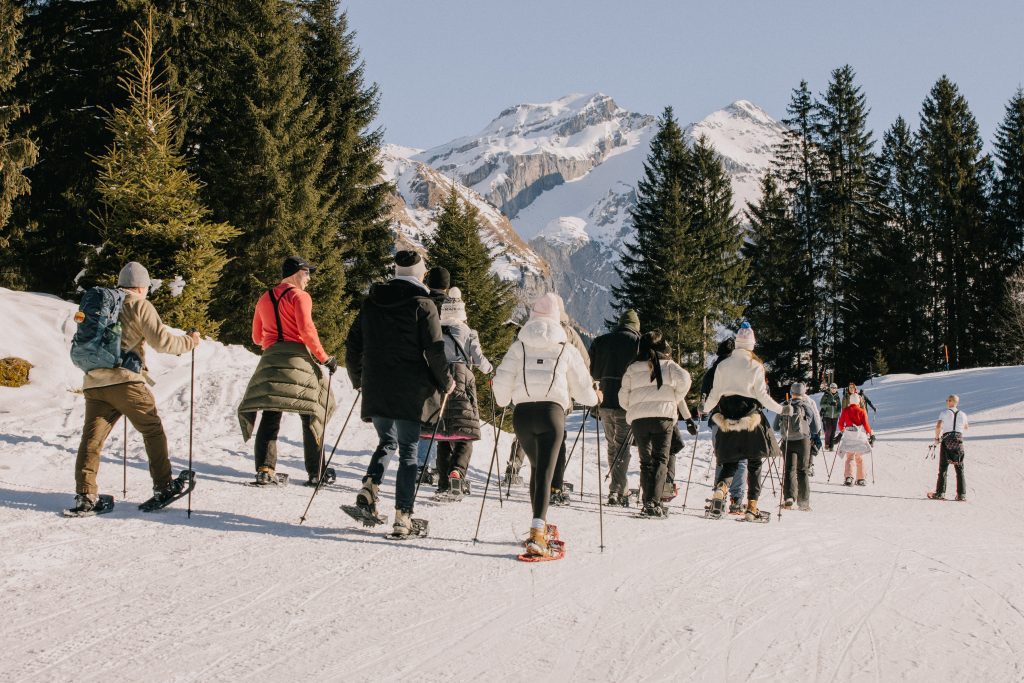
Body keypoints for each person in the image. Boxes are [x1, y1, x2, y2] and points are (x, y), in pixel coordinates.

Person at [71, 262, 200, 513]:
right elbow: (163, 342)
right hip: (126, 382)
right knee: (152, 430)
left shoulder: (102, 304)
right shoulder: (139, 304)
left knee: (92, 440)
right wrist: (191, 341)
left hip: (94, 383)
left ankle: (85, 495)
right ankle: (163, 486)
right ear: (143, 286)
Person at [345, 250, 453, 537]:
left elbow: (353, 345)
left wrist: (358, 380)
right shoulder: (424, 305)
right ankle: (402, 517)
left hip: (376, 386)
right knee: (407, 451)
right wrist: (446, 382)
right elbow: (434, 350)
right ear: (419, 273)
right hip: (410, 390)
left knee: (386, 441)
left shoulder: (371, 302)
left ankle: (369, 488)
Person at [492, 293, 598, 557]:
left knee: (538, 468)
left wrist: (504, 398)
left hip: (523, 416)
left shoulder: (519, 346)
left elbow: (502, 389)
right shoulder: (566, 348)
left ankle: (538, 523)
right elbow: (585, 392)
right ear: (557, 318)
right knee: (545, 473)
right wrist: (597, 397)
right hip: (552, 414)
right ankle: (538, 533)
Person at [238, 256, 337, 487]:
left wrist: (274, 340)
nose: (309, 278)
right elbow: (306, 330)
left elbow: (256, 337)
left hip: (271, 359)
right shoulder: (299, 296)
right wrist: (325, 358)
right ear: (295, 273)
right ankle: (316, 473)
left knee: (271, 415)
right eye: (307, 273)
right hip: (297, 359)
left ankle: (264, 469)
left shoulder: (264, 298)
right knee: (310, 413)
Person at [701, 323, 783, 522]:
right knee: (754, 463)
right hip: (750, 419)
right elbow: (762, 396)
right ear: (752, 345)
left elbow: (715, 394)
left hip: (727, 417)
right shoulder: (755, 365)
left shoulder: (722, 365)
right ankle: (752, 507)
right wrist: (781, 409)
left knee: (730, 462)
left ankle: (721, 490)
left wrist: (705, 409)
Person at [618, 331, 695, 517]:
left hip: (639, 420)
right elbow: (686, 379)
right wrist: (674, 396)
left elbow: (622, 397)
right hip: (663, 418)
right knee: (661, 459)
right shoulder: (669, 365)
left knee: (646, 462)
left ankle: (647, 502)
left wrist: (634, 406)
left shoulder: (632, 367)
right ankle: (655, 502)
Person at [429, 287, 493, 497]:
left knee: (443, 434)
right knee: (464, 432)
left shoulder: (436, 329)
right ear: (462, 312)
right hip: (463, 378)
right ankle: (457, 473)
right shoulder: (468, 332)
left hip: (439, 379)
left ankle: (443, 485)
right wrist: (491, 369)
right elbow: (479, 359)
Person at [589, 309, 641, 506]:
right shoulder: (637, 343)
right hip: (626, 402)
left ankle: (619, 486)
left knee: (613, 445)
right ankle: (617, 490)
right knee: (622, 446)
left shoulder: (601, 341)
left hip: (604, 401)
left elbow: (592, 370)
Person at [548, 294, 590, 505]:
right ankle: (555, 486)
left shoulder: (530, 330)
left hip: (529, 395)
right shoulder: (569, 333)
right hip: (559, 396)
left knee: (536, 440)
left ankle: (538, 483)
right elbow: (584, 361)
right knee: (558, 441)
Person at [416, 266, 452, 482]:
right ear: (447, 286)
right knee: (440, 417)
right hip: (445, 364)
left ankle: (421, 465)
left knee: (425, 416)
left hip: (422, 362)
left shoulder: (422, 302)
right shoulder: (451, 306)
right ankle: (437, 465)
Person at [703, 337, 747, 513]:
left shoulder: (712, 371)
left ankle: (718, 498)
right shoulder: (740, 369)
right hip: (740, 419)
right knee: (741, 460)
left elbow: (705, 397)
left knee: (722, 458)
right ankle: (736, 500)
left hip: (717, 419)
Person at [773, 382, 822, 511]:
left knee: (789, 469)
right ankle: (804, 502)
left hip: (788, 441)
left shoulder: (784, 405)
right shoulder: (806, 406)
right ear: (803, 392)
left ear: (791, 392)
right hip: (803, 441)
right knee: (803, 471)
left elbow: (775, 427)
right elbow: (816, 428)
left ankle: (789, 498)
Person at [929, 394, 969, 501]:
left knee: (943, 468)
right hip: (959, 441)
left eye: (947, 400)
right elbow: (966, 427)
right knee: (960, 468)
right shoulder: (963, 414)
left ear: (951, 401)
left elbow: (938, 426)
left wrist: (936, 438)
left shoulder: (944, 413)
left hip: (947, 440)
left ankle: (940, 493)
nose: (946, 402)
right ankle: (961, 495)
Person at [836, 393, 873, 486]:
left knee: (850, 458)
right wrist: (870, 434)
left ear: (850, 401)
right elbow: (866, 425)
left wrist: (844, 431)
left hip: (849, 437)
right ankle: (861, 479)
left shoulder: (845, 410)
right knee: (859, 458)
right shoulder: (862, 411)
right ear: (858, 401)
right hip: (859, 437)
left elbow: (840, 424)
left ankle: (849, 477)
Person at [819, 382, 842, 450]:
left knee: (833, 431)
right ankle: (827, 443)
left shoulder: (837, 396)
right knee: (828, 430)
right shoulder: (826, 395)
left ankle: (831, 446)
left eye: (835, 388)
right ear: (830, 388)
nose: (833, 389)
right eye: (832, 388)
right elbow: (821, 404)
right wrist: (829, 404)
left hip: (835, 416)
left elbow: (839, 406)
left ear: (836, 389)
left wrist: (838, 412)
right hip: (827, 415)